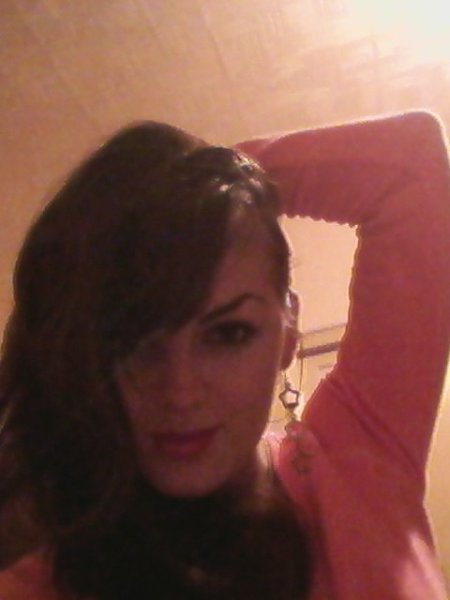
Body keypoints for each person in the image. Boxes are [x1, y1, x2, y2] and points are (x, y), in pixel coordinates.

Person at [0, 110, 449, 600]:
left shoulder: (360, 453)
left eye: (229, 334)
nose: (180, 392)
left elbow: (412, 163)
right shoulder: (43, 579)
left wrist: (220, 184)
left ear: (289, 329)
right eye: (132, 340)